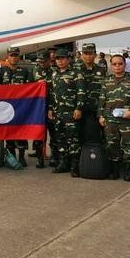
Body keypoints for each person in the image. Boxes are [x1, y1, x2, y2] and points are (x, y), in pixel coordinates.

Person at [98, 54, 130, 181]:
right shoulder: (107, 80)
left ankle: (128, 170)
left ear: (125, 65)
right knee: (112, 144)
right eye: (114, 64)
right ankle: (115, 169)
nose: (117, 66)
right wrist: (100, 116)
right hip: (110, 119)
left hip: (127, 119)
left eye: (120, 63)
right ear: (111, 66)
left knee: (128, 144)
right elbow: (102, 100)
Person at [48, 48, 85, 176]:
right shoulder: (54, 74)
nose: (60, 61)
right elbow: (52, 93)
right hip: (58, 113)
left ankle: (75, 166)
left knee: (73, 140)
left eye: (62, 58)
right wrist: (51, 108)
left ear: (68, 59)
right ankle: (63, 163)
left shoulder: (76, 73)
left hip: (71, 113)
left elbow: (81, 92)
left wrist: (78, 108)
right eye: (58, 59)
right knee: (60, 139)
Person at [0, 46, 34, 166]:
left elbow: (31, 89)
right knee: (9, 132)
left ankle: (22, 155)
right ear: (7, 57)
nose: (13, 58)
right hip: (6, 108)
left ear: (19, 57)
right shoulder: (1, 71)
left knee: (21, 131)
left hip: (20, 107)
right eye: (11, 55)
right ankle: (11, 154)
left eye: (16, 55)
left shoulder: (25, 71)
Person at [75, 43, 106, 147]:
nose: (88, 56)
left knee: (93, 137)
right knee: (77, 137)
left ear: (95, 54)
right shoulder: (75, 69)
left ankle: (93, 160)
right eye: (86, 53)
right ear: (82, 54)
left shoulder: (101, 70)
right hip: (78, 110)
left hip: (94, 110)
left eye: (91, 53)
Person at [30, 52, 54, 168]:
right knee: (38, 133)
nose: (41, 63)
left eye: (43, 61)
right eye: (39, 61)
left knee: (54, 133)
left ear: (49, 60)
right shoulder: (35, 70)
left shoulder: (54, 71)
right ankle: (40, 158)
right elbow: (30, 85)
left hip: (52, 106)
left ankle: (54, 156)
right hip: (38, 107)